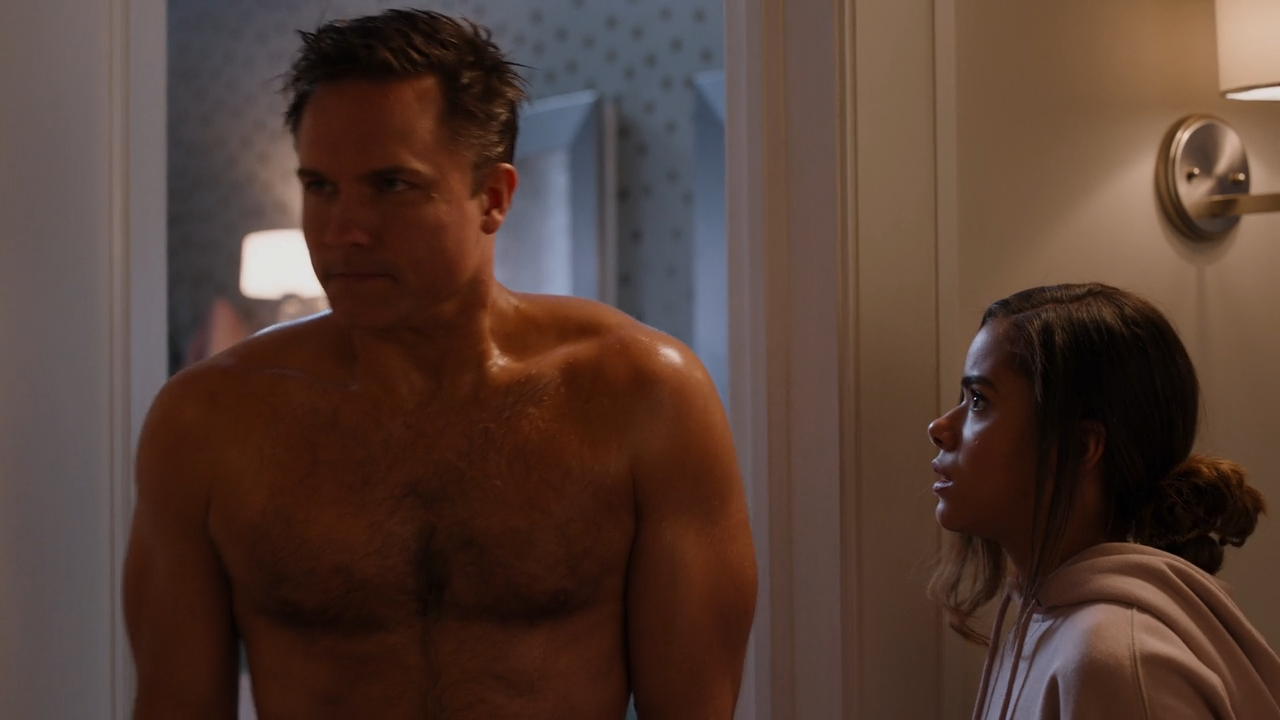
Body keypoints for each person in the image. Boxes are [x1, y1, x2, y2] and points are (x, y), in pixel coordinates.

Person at [123, 10, 757, 719]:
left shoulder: (645, 397)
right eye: (320, 186)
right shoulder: (208, 422)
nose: (342, 230)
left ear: (494, 197)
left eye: (391, 185)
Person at [927, 283, 1280, 720]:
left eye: (979, 400)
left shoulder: (1116, 663)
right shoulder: (1048, 621)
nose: (940, 427)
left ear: (1078, 447)